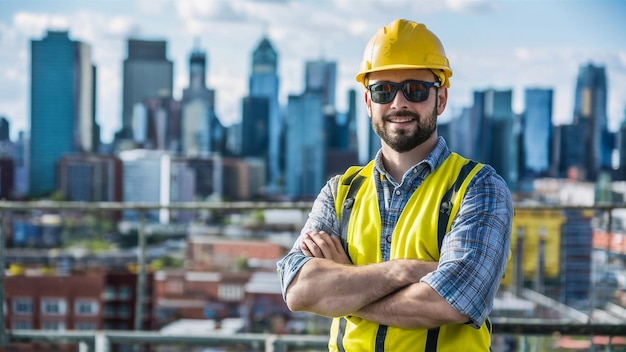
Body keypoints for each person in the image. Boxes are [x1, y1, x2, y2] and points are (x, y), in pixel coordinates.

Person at [276, 18, 513, 352]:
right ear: (368, 102)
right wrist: (405, 271)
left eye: (415, 89)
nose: (398, 103)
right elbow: (299, 291)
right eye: (383, 90)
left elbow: (451, 302)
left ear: (440, 99)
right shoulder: (340, 192)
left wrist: (344, 288)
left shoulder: (479, 188)